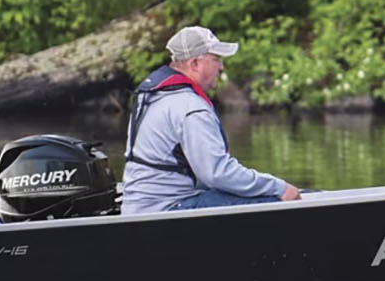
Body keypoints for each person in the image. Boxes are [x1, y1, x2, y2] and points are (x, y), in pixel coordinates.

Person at [121, 25, 301, 214]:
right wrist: (279, 187)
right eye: (216, 59)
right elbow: (217, 174)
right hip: (168, 208)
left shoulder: (152, 96)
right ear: (195, 64)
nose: (221, 67)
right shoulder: (190, 107)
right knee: (276, 199)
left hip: (138, 207)